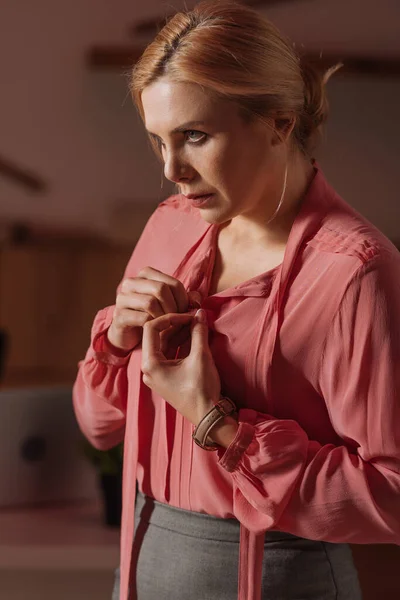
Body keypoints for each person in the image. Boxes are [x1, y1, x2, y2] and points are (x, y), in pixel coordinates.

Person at [72, 1, 400, 599]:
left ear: (278, 122)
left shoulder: (355, 273)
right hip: (139, 567)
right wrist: (117, 344)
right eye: (158, 141)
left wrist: (217, 422)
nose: (172, 169)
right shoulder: (169, 227)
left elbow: (392, 494)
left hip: (280, 578)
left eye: (194, 136)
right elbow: (98, 428)